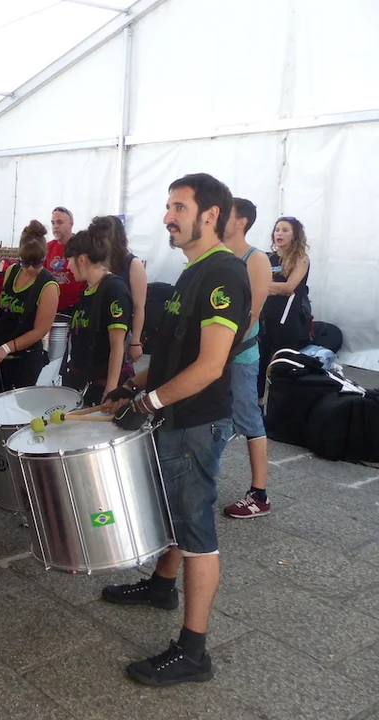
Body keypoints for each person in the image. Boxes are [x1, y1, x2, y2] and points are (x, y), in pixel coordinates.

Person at [101, 173, 250, 687]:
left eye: (179, 207)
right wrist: (130, 386)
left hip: (195, 422)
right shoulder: (192, 271)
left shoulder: (224, 275)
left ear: (210, 215)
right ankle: (162, 587)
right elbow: (172, 357)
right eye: (168, 206)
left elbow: (209, 366)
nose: (168, 217)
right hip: (174, 415)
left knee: (196, 530)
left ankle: (193, 651)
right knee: (172, 510)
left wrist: (148, 402)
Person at [221, 198, 273, 518]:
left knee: (248, 417)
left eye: (226, 214)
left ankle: (259, 494)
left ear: (241, 222)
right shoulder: (218, 255)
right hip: (215, 355)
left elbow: (250, 315)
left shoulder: (256, 259)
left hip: (239, 356)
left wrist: (222, 352)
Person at [63, 227, 133, 407]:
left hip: (101, 385)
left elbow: (117, 347)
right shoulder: (87, 290)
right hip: (82, 379)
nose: (68, 267)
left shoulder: (114, 290)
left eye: (69, 260)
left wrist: (110, 391)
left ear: (81, 259)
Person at [0, 221, 59, 390]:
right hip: (0, 355)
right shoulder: (11, 271)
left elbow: (40, 331)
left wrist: (7, 347)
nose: (31, 269)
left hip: (25, 360)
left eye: (37, 263)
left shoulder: (48, 285)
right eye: (25, 263)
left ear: (44, 258)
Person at [257, 216, 312, 399]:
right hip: (265, 319)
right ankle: (258, 403)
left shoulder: (301, 259)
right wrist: (270, 288)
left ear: (294, 235)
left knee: (281, 367)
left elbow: (288, 288)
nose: (279, 234)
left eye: (285, 230)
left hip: (287, 322)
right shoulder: (267, 258)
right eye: (277, 230)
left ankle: (280, 405)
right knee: (260, 364)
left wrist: (263, 285)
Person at [103, 215, 149, 363]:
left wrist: (135, 341)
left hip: (122, 330)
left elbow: (139, 306)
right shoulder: (100, 261)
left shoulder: (133, 263)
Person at [45, 206, 86, 312]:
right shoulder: (47, 248)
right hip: (52, 306)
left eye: (60, 222)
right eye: (53, 223)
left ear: (71, 224)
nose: (55, 226)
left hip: (76, 307)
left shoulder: (82, 245)